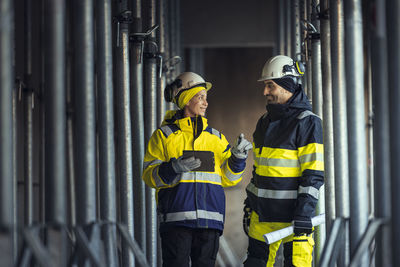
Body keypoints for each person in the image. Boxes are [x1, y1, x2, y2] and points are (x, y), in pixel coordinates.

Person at [142, 72, 252, 267]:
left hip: (210, 222)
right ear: (185, 99)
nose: (205, 103)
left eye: (206, 98)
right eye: (200, 97)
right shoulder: (164, 136)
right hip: (176, 222)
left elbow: (229, 178)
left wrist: (238, 159)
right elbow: (149, 176)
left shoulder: (216, 138)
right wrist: (172, 168)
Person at [243, 55, 324, 267]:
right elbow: (259, 171)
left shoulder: (308, 122)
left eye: (270, 85)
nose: (265, 92)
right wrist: (250, 202)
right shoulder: (263, 121)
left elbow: (313, 175)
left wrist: (304, 213)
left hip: (295, 219)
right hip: (261, 216)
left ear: (287, 86)